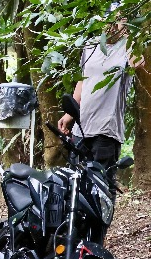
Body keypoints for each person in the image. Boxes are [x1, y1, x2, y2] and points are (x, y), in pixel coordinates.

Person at [58, 19, 141, 171]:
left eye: (117, 23)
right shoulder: (91, 45)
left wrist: (126, 35)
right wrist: (70, 114)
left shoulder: (127, 48)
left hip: (106, 131)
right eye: (109, 22)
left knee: (102, 183)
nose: (112, 27)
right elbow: (83, 80)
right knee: (76, 183)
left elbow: (138, 64)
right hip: (81, 127)